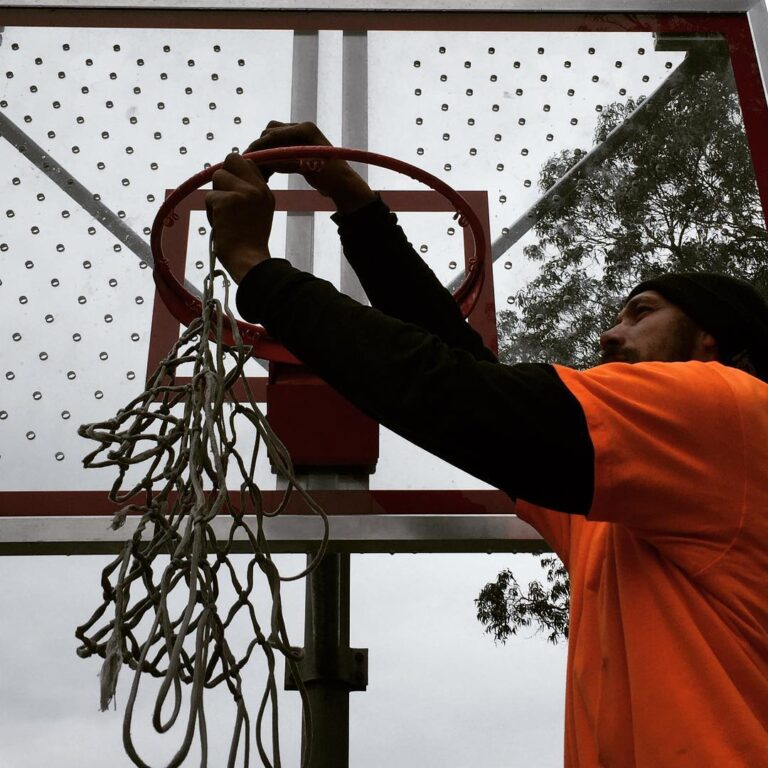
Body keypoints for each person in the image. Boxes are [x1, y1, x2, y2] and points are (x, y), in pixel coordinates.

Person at [206, 121, 768, 768]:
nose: (610, 336)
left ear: (710, 345)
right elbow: (465, 374)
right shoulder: (630, 513)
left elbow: (452, 393)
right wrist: (355, 204)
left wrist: (256, 268)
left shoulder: (730, 408)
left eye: (641, 313)